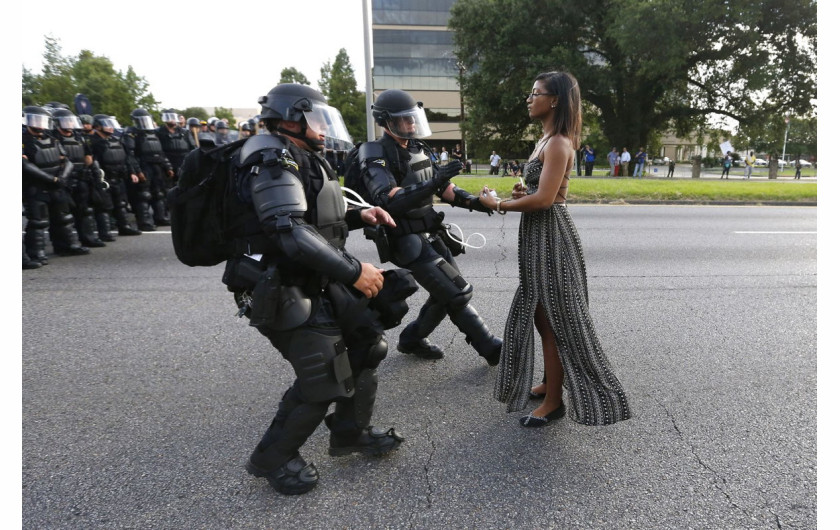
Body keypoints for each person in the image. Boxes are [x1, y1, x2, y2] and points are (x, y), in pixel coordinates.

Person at [227, 83, 405, 495]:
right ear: (292, 117)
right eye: (317, 119)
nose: (324, 129)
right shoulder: (271, 158)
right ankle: (272, 458)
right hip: (280, 284)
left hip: (312, 277)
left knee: (366, 344)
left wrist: (362, 215)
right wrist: (354, 271)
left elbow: (314, 217)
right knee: (324, 376)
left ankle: (349, 432)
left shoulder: (298, 156)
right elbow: (289, 231)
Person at [478, 71, 631, 428]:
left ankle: (554, 402)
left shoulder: (560, 142)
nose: (530, 99)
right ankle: (550, 382)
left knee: (555, 321)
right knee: (540, 314)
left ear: (555, 100)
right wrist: (521, 193)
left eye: (536, 93)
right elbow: (538, 192)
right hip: (538, 235)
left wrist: (497, 204)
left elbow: (546, 200)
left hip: (551, 237)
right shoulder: (545, 140)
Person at [353, 88, 503, 365]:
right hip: (404, 237)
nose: (411, 124)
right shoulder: (374, 151)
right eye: (404, 119)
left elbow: (444, 187)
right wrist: (433, 183)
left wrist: (477, 203)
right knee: (457, 292)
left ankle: (411, 339)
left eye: (413, 118)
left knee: (445, 292)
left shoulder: (417, 148)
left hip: (430, 232)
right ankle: (491, 348)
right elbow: (386, 198)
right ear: (386, 121)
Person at [22, 106, 91, 264]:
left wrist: (62, 178)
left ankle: (68, 245)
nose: (39, 124)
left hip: (57, 185)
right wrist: (51, 179)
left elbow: (67, 161)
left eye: (42, 120)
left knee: (64, 217)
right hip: (36, 187)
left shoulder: (53, 139)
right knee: (38, 221)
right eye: (35, 120)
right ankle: (36, 252)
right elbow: (25, 165)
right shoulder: (23, 140)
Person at [51, 107, 106, 248]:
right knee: (63, 215)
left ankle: (88, 238)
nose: (69, 124)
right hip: (63, 180)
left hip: (81, 178)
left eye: (70, 121)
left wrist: (92, 174)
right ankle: (64, 245)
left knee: (84, 210)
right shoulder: (53, 138)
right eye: (66, 121)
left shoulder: (78, 137)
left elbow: (88, 157)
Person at [89, 114, 143, 239]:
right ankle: (105, 232)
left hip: (119, 177)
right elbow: (92, 162)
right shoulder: (93, 142)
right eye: (107, 125)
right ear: (98, 126)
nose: (111, 128)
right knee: (104, 206)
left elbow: (126, 159)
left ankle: (124, 227)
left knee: (121, 204)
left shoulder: (116, 140)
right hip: (104, 179)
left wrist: (132, 172)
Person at [123, 108, 174, 229]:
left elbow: (160, 152)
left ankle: (160, 217)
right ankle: (144, 222)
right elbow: (130, 155)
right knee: (143, 195)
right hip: (144, 165)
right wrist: (137, 171)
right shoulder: (132, 134)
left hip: (157, 166)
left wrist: (168, 167)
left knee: (159, 193)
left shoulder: (154, 133)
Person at [156, 109, 192, 182]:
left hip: (183, 164)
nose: (172, 119)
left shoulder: (185, 132)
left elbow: (192, 148)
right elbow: (158, 150)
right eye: (169, 117)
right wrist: (167, 166)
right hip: (166, 165)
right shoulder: (158, 132)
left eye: (173, 117)